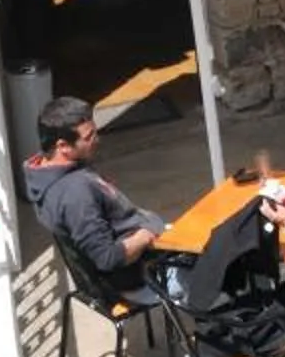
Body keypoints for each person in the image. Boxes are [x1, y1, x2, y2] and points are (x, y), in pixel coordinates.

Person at [23, 95, 184, 305]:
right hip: (144, 278)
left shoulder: (44, 169)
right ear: (62, 146)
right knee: (224, 265)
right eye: (89, 136)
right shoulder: (75, 195)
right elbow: (107, 258)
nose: (97, 140)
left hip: (145, 252)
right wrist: (145, 235)